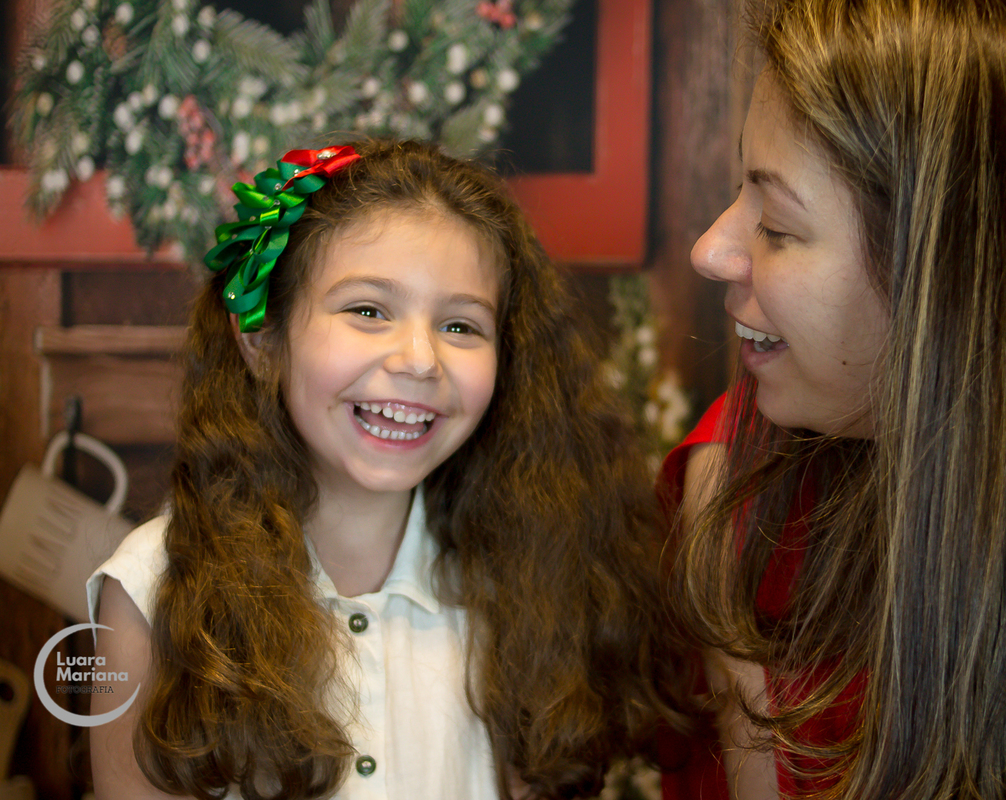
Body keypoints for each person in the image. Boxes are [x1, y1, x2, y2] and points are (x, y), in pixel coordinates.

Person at [660, 0, 1006, 798]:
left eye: (781, 227)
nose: (712, 249)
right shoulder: (740, 475)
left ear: (961, 283)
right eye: (738, 188)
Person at [87, 139, 682, 799]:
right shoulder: (148, 592)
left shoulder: (524, 580)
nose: (421, 359)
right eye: (368, 311)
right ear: (261, 339)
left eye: (461, 326)